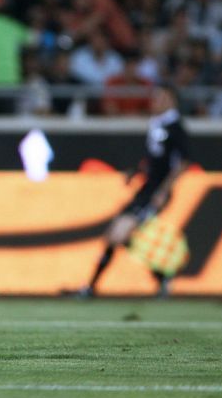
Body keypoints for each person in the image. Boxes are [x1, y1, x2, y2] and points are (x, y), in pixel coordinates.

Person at [76, 84, 191, 298]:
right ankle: (161, 279)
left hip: (155, 192)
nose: (155, 102)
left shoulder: (176, 128)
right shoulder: (157, 124)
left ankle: (91, 287)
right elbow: (155, 159)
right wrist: (138, 171)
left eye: (161, 98)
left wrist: (163, 191)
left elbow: (182, 163)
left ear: (171, 101)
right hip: (146, 190)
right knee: (116, 235)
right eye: (155, 98)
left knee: (119, 233)